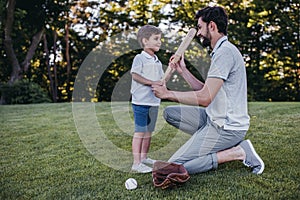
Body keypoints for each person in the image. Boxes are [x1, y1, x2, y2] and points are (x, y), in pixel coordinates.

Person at [152, 6, 265, 175]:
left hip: (227, 127)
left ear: (211, 26)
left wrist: (167, 94)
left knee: (172, 168)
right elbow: (207, 90)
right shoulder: (220, 51)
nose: (198, 33)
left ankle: (236, 152)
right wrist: (183, 71)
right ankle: (207, 143)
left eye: (199, 27)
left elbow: (205, 98)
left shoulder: (225, 53)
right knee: (170, 113)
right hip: (213, 118)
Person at [130, 25, 168, 173]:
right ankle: (136, 163)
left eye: (160, 39)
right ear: (145, 41)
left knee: (148, 132)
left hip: (153, 102)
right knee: (140, 132)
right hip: (140, 102)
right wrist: (152, 82)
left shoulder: (157, 61)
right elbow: (135, 75)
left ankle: (144, 158)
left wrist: (172, 68)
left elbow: (162, 80)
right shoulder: (139, 58)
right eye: (156, 39)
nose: (160, 42)